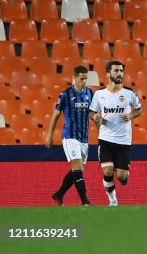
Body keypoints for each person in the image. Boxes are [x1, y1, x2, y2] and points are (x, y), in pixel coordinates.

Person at [89, 60, 141, 207]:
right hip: (105, 138)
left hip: (123, 140)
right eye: (116, 71)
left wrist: (131, 115)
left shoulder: (129, 93)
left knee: (121, 176)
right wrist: (95, 118)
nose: (119, 74)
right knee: (107, 170)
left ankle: (124, 176)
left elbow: (139, 109)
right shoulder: (99, 94)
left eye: (121, 71)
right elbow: (92, 112)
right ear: (108, 74)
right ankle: (112, 201)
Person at [46, 65, 93, 206]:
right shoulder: (65, 94)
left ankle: (59, 195)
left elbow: (92, 113)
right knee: (77, 168)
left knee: (76, 172)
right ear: (74, 77)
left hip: (84, 138)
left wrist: (99, 123)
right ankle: (85, 202)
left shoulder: (90, 93)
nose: (84, 81)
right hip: (70, 136)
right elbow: (55, 115)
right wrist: (49, 135)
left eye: (86, 78)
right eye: (81, 79)